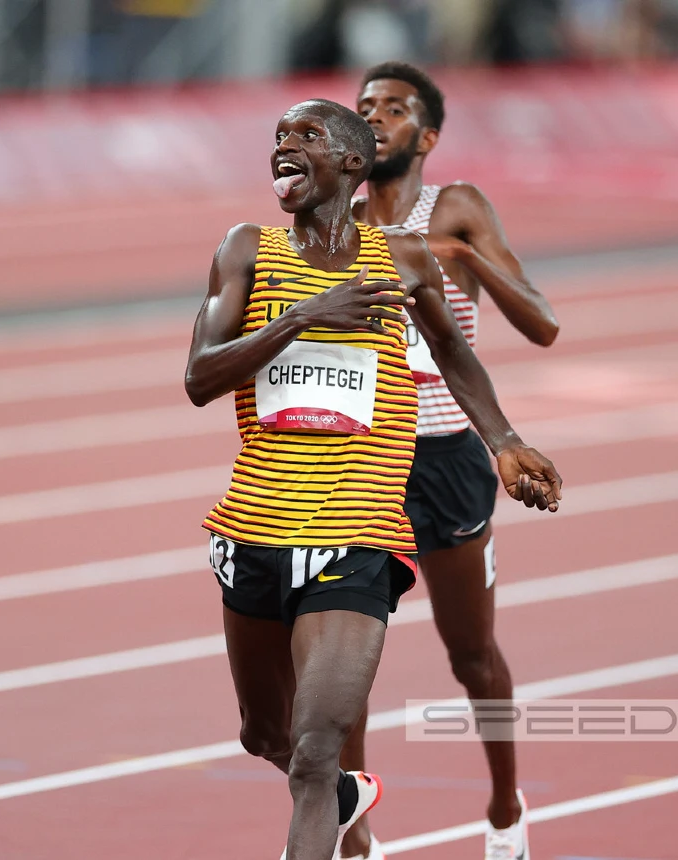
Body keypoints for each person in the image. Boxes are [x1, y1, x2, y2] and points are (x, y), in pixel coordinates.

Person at [182, 98, 562, 860]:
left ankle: (352, 806)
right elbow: (198, 377)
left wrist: (506, 441)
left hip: (359, 533)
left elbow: (454, 353)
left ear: (354, 164)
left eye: (307, 136)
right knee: (266, 733)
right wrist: (302, 317)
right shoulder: (246, 250)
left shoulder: (405, 258)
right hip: (255, 526)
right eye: (279, 137)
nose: (284, 147)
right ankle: (342, 796)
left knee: (319, 752)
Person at [339, 61, 562, 860]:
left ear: (426, 136)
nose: (374, 118)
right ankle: (352, 828)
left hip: (450, 458)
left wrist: (460, 259)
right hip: (367, 460)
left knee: (471, 654)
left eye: (393, 108)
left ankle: (505, 806)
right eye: (364, 106)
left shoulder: (457, 207)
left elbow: (541, 323)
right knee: (348, 653)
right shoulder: (336, 217)